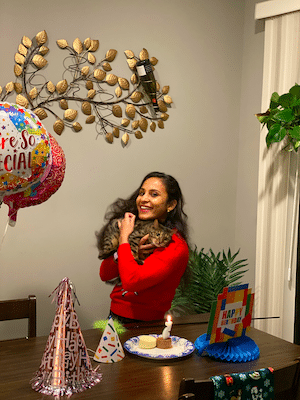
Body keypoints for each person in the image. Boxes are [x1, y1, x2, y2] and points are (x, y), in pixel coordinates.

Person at [96, 171, 190, 324]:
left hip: (145, 324)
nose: (144, 199)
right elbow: (104, 274)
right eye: (141, 193)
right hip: (115, 315)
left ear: (171, 205)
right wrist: (126, 252)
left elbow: (132, 282)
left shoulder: (174, 245)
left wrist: (124, 239)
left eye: (154, 194)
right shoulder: (138, 230)